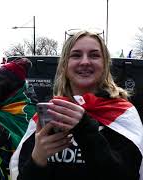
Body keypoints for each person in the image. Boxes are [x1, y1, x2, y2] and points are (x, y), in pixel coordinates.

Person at [9, 30, 143, 180]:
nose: (85, 61)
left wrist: (85, 129)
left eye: (94, 55)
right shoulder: (49, 113)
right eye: (76, 55)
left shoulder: (123, 114)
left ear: (105, 65)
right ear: (65, 65)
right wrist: (38, 158)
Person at [0, 57, 37, 180]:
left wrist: (6, 138)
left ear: (14, 82)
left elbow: (33, 151)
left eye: (0, 79)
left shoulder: (28, 112)